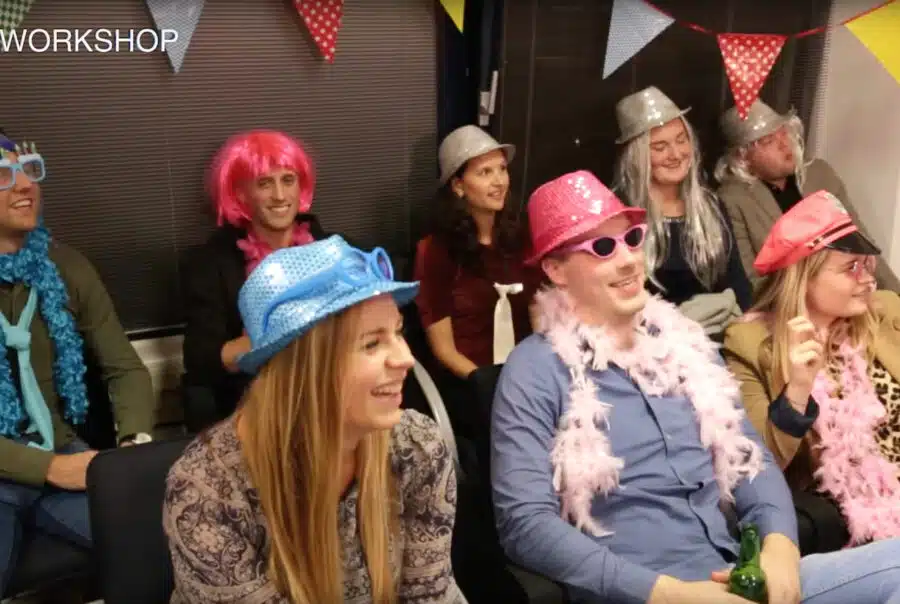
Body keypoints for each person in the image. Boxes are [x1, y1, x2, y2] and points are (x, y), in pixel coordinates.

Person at [491, 169, 900, 603]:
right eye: (603, 248)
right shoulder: (534, 369)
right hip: (646, 591)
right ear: (555, 269)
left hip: (739, 574)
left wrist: (780, 545)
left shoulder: (686, 345)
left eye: (632, 238)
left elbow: (750, 459)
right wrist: (669, 594)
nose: (628, 259)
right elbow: (525, 524)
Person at [164, 236, 466, 603]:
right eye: (372, 343)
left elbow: (429, 594)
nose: (404, 359)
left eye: (398, 332)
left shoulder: (417, 447)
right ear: (304, 371)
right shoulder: (208, 492)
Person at [0, 132, 156, 595]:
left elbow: (125, 368)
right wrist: (46, 468)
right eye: (3, 176)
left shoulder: (65, 266)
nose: (25, 185)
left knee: (160, 544)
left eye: (29, 169)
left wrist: (133, 449)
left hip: (61, 448)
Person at [724, 189, 900, 546]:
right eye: (851, 268)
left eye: (867, 265)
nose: (868, 279)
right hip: (856, 519)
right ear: (804, 278)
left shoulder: (885, 311)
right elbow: (759, 467)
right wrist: (798, 391)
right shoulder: (750, 344)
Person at [181, 130, 326, 428]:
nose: (280, 196)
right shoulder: (211, 264)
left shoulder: (333, 250)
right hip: (254, 411)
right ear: (240, 194)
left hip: (331, 397)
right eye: (264, 183)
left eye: (288, 180)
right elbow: (202, 359)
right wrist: (279, 338)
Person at [715, 99, 900, 290]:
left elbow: (861, 241)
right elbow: (749, 280)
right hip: (788, 301)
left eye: (783, 132)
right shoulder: (732, 199)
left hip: (850, 290)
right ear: (742, 156)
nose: (784, 144)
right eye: (768, 140)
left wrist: (895, 292)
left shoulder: (820, 174)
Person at [612, 86, 751, 338]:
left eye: (681, 140)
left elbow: (737, 281)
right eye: (660, 147)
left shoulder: (711, 206)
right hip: (650, 341)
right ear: (637, 155)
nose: (676, 154)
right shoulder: (619, 214)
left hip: (716, 337)